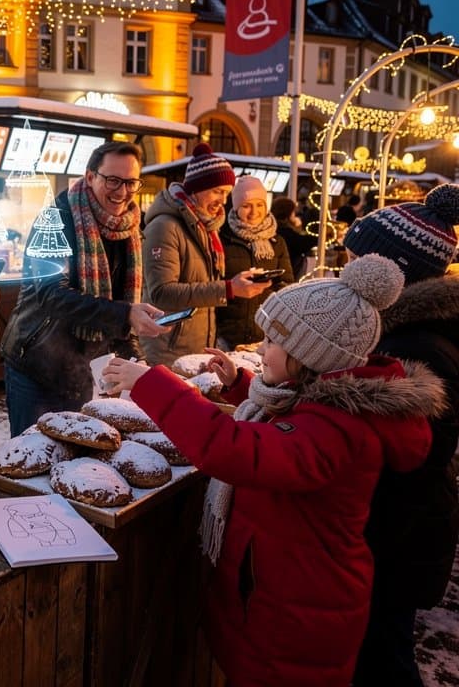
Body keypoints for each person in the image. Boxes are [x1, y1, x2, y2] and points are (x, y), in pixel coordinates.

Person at [102, 252, 440, 687]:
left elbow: (236, 450)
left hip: (298, 619)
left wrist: (149, 382)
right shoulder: (328, 405)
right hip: (283, 599)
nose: (260, 350)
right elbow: (288, 420)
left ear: (309, 355)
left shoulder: (340, 432)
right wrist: (239, 383)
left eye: (271, 343)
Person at [342, 184, 459, 687]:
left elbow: (411, 458)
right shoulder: (413, 327)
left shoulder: (417, 347)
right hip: (402, 532)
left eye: (354, 260)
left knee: (383, 658)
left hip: (396, 540)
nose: (345, 270)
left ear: (391, 271)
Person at [0, 141, 169, 437]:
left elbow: (117, 302)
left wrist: (133, 355)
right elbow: (52, 295)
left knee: (77, 460)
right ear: (90, 176)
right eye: (113, 180)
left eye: (131, 182)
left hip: (82, 368)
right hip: (36, 365)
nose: (122, 191)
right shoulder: (55, 220)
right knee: (33, 458)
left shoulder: (128, 228)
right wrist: (126, 314)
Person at [141, 143, 270, 366]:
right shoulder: (165, 226)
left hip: (196, 346)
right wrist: (229, 288)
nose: (222, 200)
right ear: (196, 188)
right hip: (167, 349)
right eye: (217, 191)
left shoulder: (207, 228)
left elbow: (202, 285)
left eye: (226, 193)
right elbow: (161, 293)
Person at [216, 176, 294, 348]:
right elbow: (212, 284)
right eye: (246, 206)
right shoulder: (222, 238)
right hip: (225, 335)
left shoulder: (277, 242)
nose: (254, 212)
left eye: (259, 205)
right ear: (236, 208)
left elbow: (286, 284)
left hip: (265, 333)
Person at [270, 195, 318, 279]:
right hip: (285, 275)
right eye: (293, 212)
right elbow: (303, 243)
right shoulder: (286, 232)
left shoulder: (272, 229)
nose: (295, 215)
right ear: (288, 214)